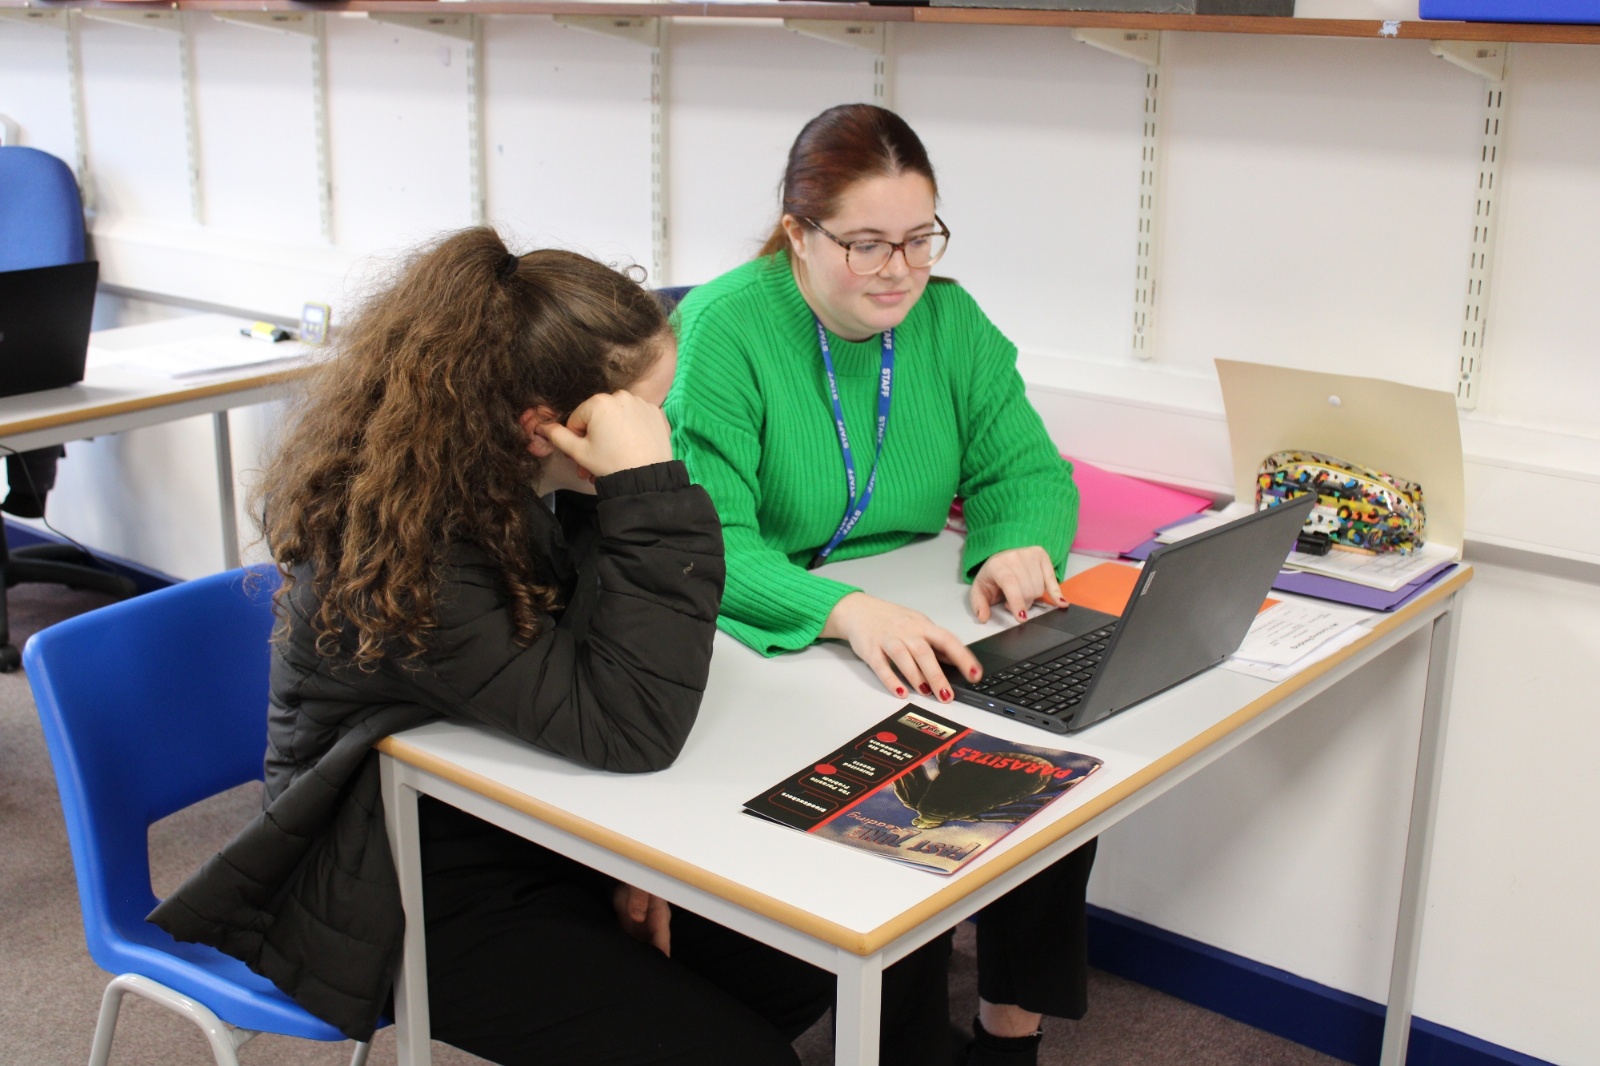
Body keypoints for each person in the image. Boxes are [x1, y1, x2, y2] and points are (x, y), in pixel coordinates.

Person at [149, 228, 836, 1065]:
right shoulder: (413, 558)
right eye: (642, 412)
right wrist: (643, 490)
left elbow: (611, 661)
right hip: (402, 881)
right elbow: (633, 726)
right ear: (544, 427)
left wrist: (635, 857)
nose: (657, 433)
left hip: (525, 813)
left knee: (798, 969)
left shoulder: (518, 481)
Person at [666, 104, 1096, 1066]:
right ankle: (905, 1042)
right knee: (908, 788)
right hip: (766, 629)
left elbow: (1026, 469)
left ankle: (1008, 1034)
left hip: (914, 608)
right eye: (865, 244)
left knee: (1055, 749)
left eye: (918, 239)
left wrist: (1016, 542)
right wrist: (843, 610)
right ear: (798, 234)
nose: (899, 270)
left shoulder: (950, 319)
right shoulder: (724, 328)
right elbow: (707, 543)